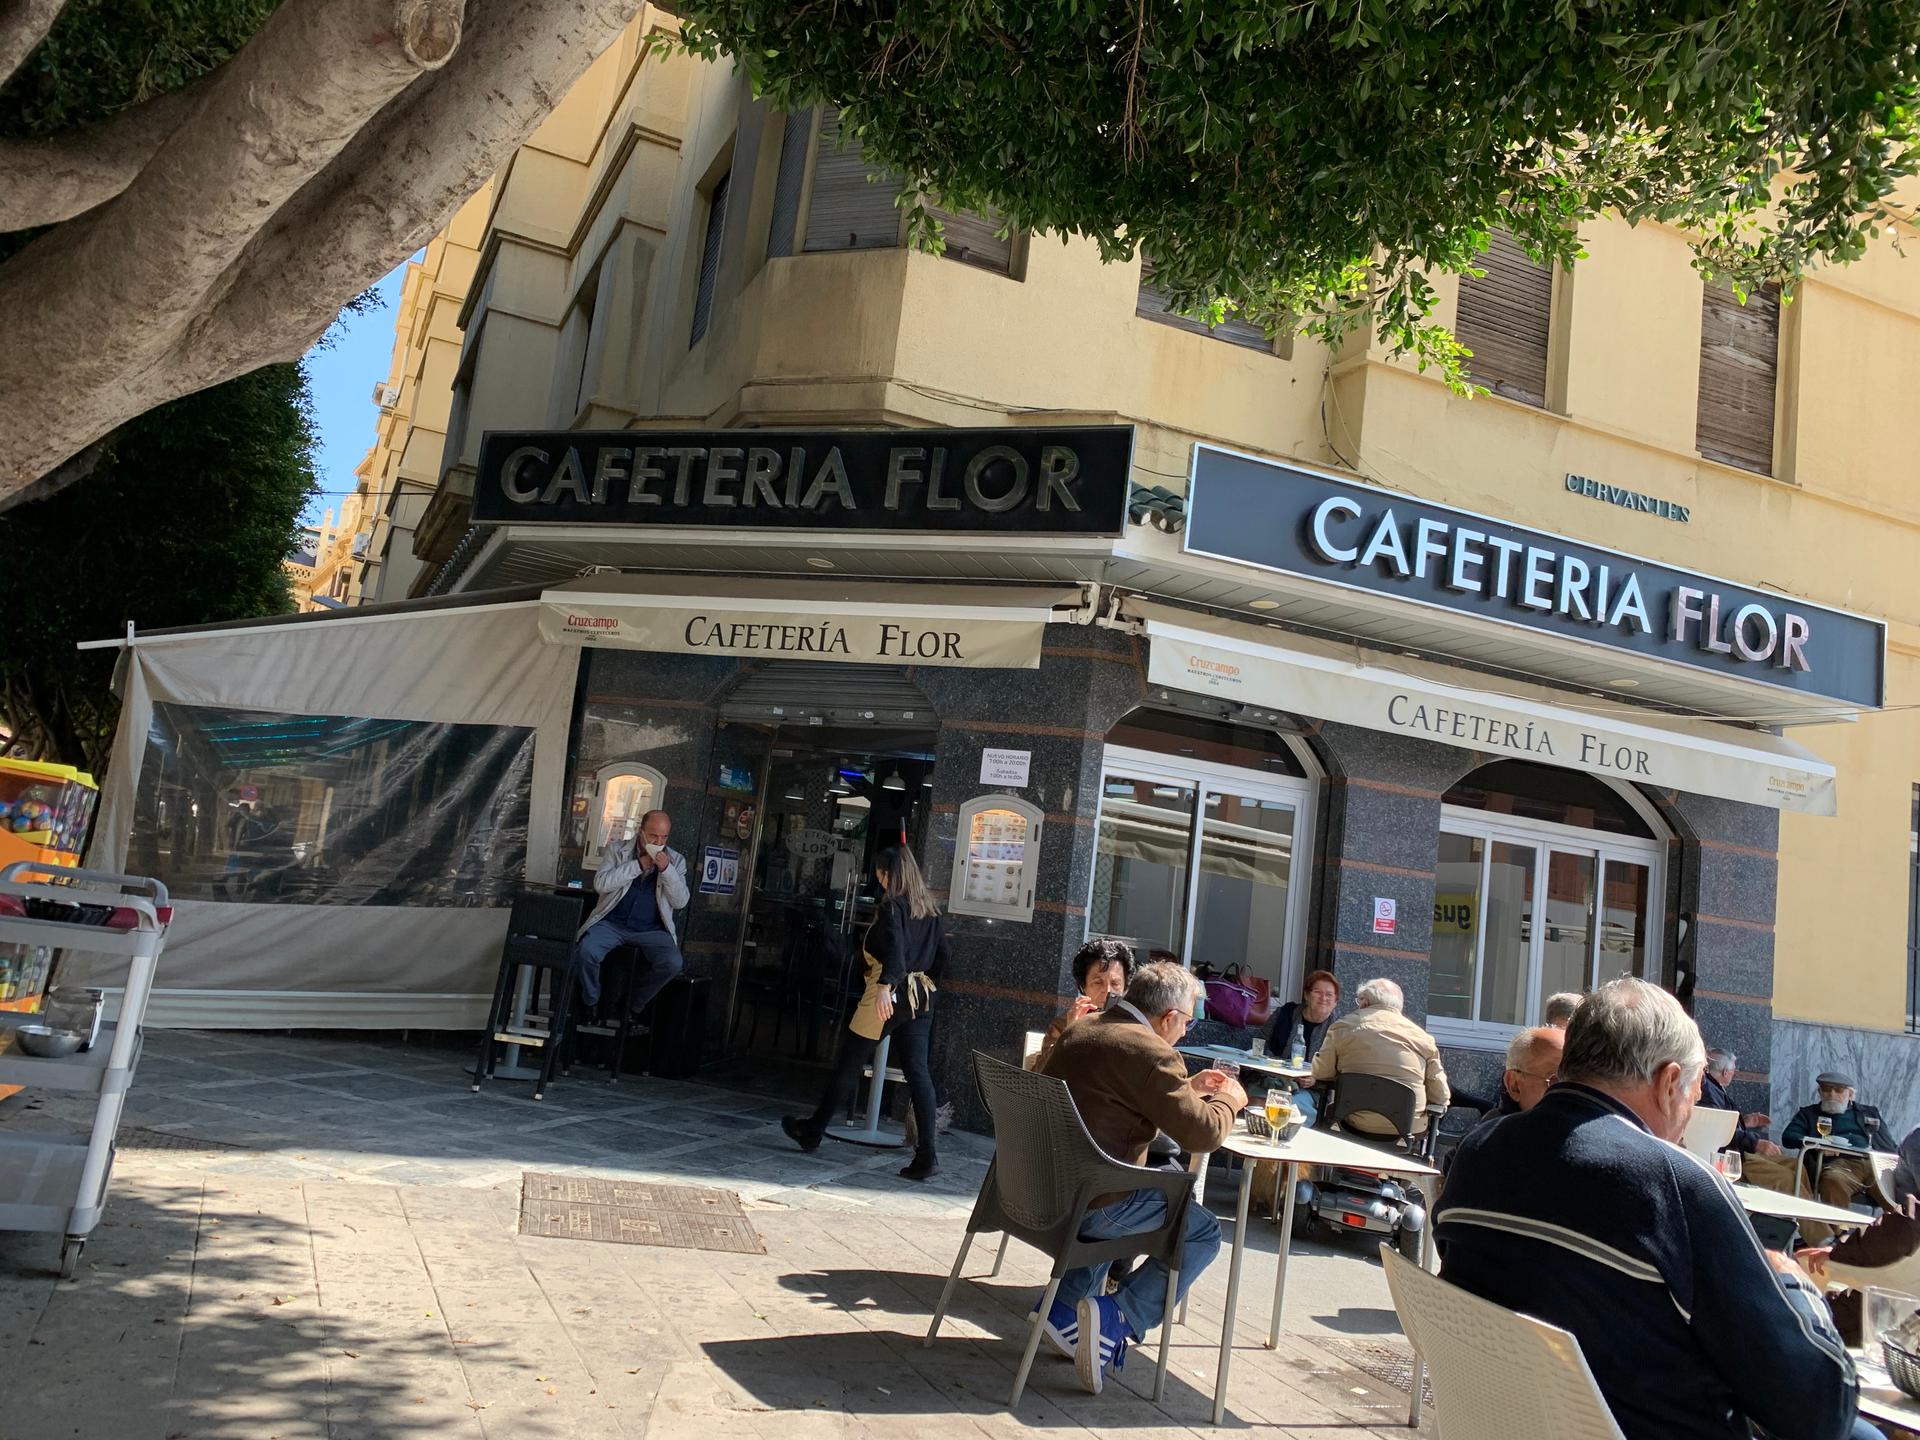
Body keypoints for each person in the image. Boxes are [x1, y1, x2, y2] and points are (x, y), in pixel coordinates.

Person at [1437, 977, 1873, 1440]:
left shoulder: (1478, 1150)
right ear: (1668, 1082)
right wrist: (1792, 1281)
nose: (1692, 1108)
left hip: (1508, 1416)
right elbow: (1818, 1409)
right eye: (1695, 1091)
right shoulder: (1677, 1184)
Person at [1038, 961, 1247, 1395]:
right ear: (1168, 1017)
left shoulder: (1085, 1028)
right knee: (1202, 1230)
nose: (1185, 1032)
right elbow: (1203, 1134)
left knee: (1122, 1181)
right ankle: (1120, 1315)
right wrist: (1228, 1100)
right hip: (1092, 1204)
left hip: (1040, 1189)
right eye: (1187, 1021)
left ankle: (1062, 1309)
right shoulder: (1152, 1052)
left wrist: (1188, 1087)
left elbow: (1118, 1091)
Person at [783, 845, 950, 1180]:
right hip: (921, 996)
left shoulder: (892, 907)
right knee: (918, 1072)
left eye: (879, 873)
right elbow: (943, 955)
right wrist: (926, 983)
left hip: (887, 993)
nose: (878, 879)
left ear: (887, 874)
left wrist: (888, 986)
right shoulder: (930, 909)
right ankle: (927, 1154)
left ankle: (813, 1130)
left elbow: (896, 950)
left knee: (849, 1061)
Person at [571, 808, 688, 1027]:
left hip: (651, 928)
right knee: (587, 951)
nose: (659, 842)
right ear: (641, 832)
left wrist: (667, 870)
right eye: (653, 836)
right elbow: (601, 884)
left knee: (673, 963)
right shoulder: (617, 850)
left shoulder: (677, 860)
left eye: (664, 837)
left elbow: (680, 901)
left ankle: (632, 1004)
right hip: (612, 922)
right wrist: (638, 865)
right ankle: (590, 1000)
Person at [1747, 1071, 1893, 1245]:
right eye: (1826, 1089)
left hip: (1873, 1163)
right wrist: (1819, 1144)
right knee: (1833, 1180)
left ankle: (1904, 1234)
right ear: (1819, 1092)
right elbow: (1789, 1137)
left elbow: (1889, 1146)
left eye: (1838, 1090)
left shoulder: (1868, 1113)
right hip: (1839, 1165)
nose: (1832, 1094)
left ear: (1850, 1094)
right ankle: (1840, 1237)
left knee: (1897, 1192)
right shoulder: (1810, 1114)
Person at [1311, 977, 1450, 1137]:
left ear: (1364, 1003)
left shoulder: (1342, 1027)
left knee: (1330, 1111)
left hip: (1353, 1122)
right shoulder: (1423, 1038)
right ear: (1398, 1007)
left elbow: (1321, 1073)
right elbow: (1441, 1095)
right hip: (1406, 1131)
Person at [1033, 938, 1134, 1071]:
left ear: (1125, 988)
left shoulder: (1135, 1028)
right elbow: (1040, 1074)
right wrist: (1070, 1033)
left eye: (1115, 983)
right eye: (1098, 982)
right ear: (1083, 987)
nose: (1107, 991)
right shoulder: (1063, 1025)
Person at [1265, 969, 1340, 1125]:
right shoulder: (1285, 1014)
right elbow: (1261, 1043)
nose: (1323, 998)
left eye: (1329, 994)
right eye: (1317, 992)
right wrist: (1275, 1068)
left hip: (1311, 1092)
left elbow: (1341, 1069)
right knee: (1252, 1098)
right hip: (1273, 1081)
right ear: (1306, 995)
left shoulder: (1339, 1029)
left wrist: (1315, 1079)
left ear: (1335, 1001)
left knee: (1287, 1108)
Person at [1698, 1048, 1782, 1156]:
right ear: (1725, 1072)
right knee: (1789, 1165)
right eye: (1734, 1070)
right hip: (1725, 1157)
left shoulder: (1712, 1089)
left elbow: (1720, 1125)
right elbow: (1717, 1129)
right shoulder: (1710, 1092)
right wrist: (1755, 1143)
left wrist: (1744, 1122)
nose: (1735, 1074)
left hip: (1731, 1153)